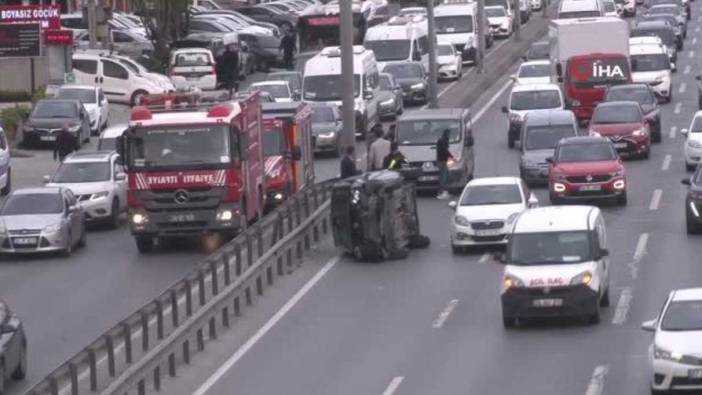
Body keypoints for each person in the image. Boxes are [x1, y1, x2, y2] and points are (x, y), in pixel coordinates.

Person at [436, 128, 454, 200]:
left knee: (446, 176)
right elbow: (445, 151)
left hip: (443, 161)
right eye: (449, 133)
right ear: (446, 133)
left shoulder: (443, 140)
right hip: (442, 161)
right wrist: (452, 157)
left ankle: (444, 191)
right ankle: (441, 192)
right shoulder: (442, 140)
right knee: (443, 177)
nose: (450, 135)